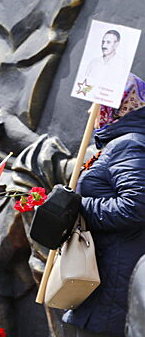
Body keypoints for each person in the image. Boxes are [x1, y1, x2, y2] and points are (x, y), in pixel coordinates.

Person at [62, 73, 145, 337]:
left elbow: (136, 206)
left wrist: (77, 206)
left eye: (98, 103)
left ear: (117, 105)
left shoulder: (129, 145)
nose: (90, 111)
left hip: (116, 278)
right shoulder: (121, 143)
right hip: (109, 272)